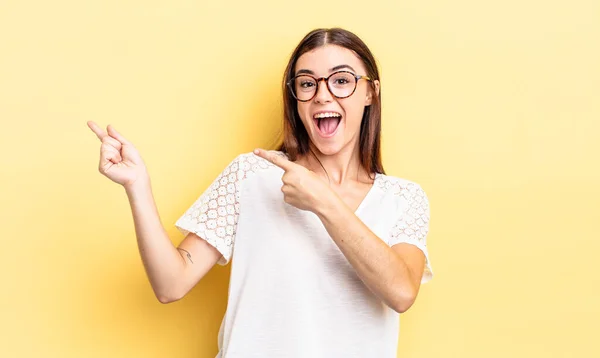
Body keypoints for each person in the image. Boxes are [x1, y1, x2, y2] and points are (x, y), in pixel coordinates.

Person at [88, 27, 433, 358]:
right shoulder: (251, 175)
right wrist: (138, 186)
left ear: (371, 92)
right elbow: (171, 284)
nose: (322, 94)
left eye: (342, 80)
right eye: (307, 83)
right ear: (295, 98)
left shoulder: (403, 198)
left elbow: (401, 292)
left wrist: (324, 202)